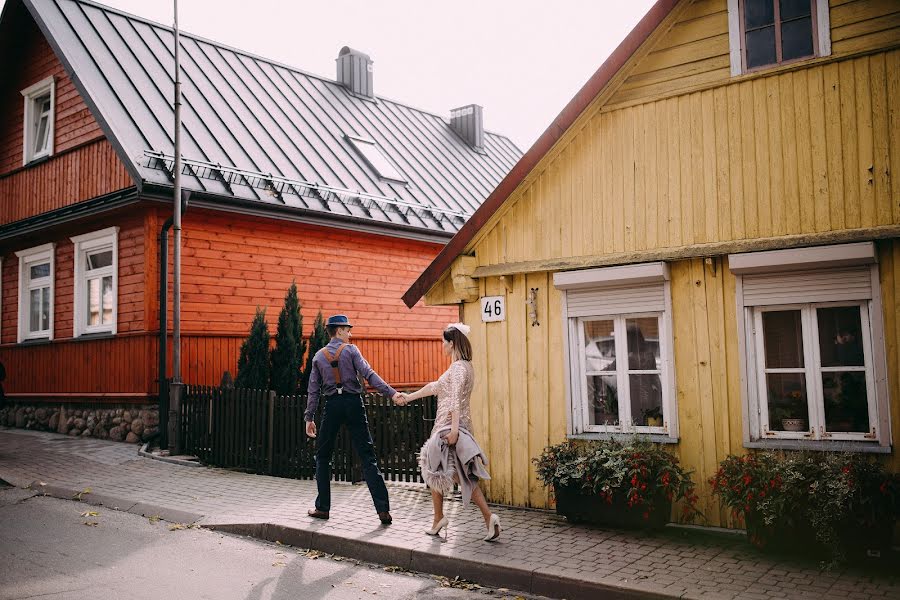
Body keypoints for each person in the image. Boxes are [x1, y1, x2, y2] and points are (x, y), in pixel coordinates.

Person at [395, 323, 500, 542]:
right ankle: (485, 518)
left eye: (444, 342)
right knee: (461, 476)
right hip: (456, 427)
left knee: (436, 468)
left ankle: (440, 518)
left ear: (451, 343)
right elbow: (434, 387)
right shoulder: (464, 367)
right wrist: (408, 396)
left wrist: (452, 432)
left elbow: (453, 399)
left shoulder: (458, 368)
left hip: (448, 429)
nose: (442, 345)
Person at [305, 315, 402, 524]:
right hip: (353, 403)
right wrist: (392, 394)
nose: (350, 334)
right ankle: (383, 510)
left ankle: (323, 508)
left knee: (322, 457)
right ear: (339, 330)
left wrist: (309, 418)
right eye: (348, 330)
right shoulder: (351, 351)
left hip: (332, 406)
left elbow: (313, 391)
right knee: (368, 457)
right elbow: (369, 374)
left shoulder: (318, 357)